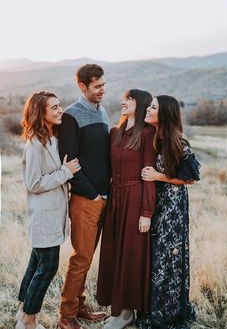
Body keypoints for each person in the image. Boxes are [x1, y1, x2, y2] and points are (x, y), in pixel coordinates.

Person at [15, 91, 80, 329]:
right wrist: (65, 172)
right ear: (40, 113)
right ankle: (29, 320)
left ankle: (23, 310)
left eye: (59, 105)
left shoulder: (53, 139)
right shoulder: (34, 144)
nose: (60, 110)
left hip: (54, 215)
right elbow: (33, 183)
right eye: (54, 107)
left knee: (36, 264)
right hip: (44, 216)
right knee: (47, 268)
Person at [137, 95, 200, 329]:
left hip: (173, 209)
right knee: (156, 257)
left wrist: (157, 176)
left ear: (164, 114)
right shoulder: (154, 138)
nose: (148, 109)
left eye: (153, 107)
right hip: (158, 204)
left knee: (170, 258)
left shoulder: (178, 142)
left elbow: (191, 178)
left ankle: (169, 310)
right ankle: (154, 305)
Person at [96, 89, 157, 329]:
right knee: (113, 251)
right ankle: (117, 309)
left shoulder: (147, 133)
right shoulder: (114, 132)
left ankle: (128, 313)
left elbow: (149, 175)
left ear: (139, 104)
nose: (123, 102)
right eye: (124, 99)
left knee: (130, 254)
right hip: (115, 198)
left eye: (129, 99)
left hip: (136, 198)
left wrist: (147, 212)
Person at [57, 64, 110, 329]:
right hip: (85, 199)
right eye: (97, 86)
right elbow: (68, 161)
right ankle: (66, 314)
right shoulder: (70, 116)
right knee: (81, 257)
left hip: (104, 197)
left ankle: (79, 305)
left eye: (103, 84)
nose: (102, 90)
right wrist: (93, 194)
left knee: (88, 256)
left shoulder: (103, 112)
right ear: (82, 86)